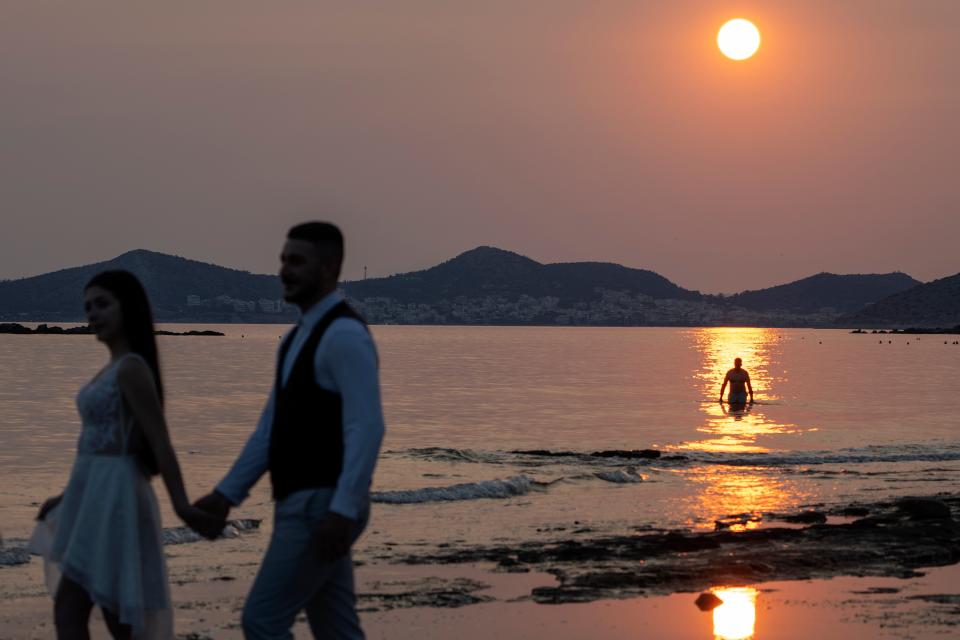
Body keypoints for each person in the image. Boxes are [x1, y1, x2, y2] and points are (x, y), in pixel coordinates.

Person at [194, 222, 385, 639]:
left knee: (262, 621)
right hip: (307, 501)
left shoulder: (345, 336)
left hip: (322, 505)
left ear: (331, 267)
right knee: (336, 628)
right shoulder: (296, 339)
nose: (284, 270)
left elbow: (367, 427)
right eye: (283, 260)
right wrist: (227, 494)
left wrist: (343, 509)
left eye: (297, 261)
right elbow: (270, 431)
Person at [33, 270, 222, 640]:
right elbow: (93, 446)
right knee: (73, 608)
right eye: (88, 307)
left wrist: (181, 506)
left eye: (103, 304)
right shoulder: (110, 369)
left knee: (114, 616)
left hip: (117, 498)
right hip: (91, 497)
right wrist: (65, 497)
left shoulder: (132, 369)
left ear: (128, 308)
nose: (93, 314)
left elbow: (161, 442)